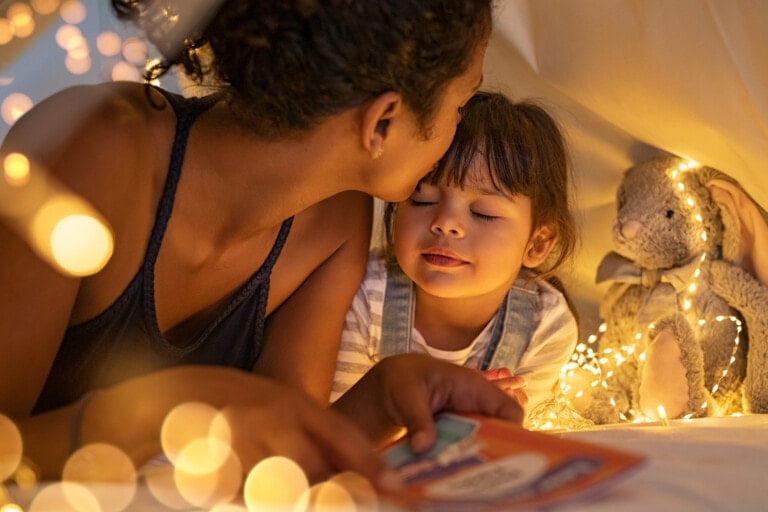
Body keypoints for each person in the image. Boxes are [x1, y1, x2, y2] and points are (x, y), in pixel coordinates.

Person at [0, 0, 524, 487]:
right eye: (461, 103)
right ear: (383, 120)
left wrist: (386, 396)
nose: (457, 130)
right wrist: (158, 410)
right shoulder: (94, 148)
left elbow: (279, 463)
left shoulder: (337, 223)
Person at [331, 92, 579, 423]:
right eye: (422, 200)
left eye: (484, 213)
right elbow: (339, 428)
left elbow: (519, 437)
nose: (446, 224)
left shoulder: (546, 323)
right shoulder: (363, 296)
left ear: (537, 243)